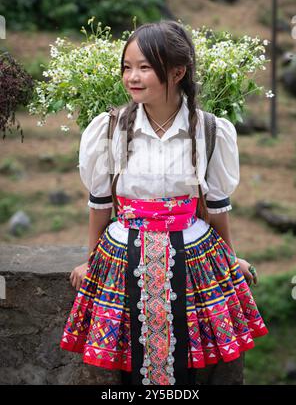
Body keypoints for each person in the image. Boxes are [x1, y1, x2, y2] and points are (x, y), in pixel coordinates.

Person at [60, 20, 268, 386]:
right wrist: (91, 261)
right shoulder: (109, 129)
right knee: (127, 362)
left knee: (189, 359)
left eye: (144, 67)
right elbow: (100, 203)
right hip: (123, 256)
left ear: (177, 72)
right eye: (127, 67)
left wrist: (230, 258)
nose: (132, 77)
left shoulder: (208, 130)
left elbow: (217, 204)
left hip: (191, 255)